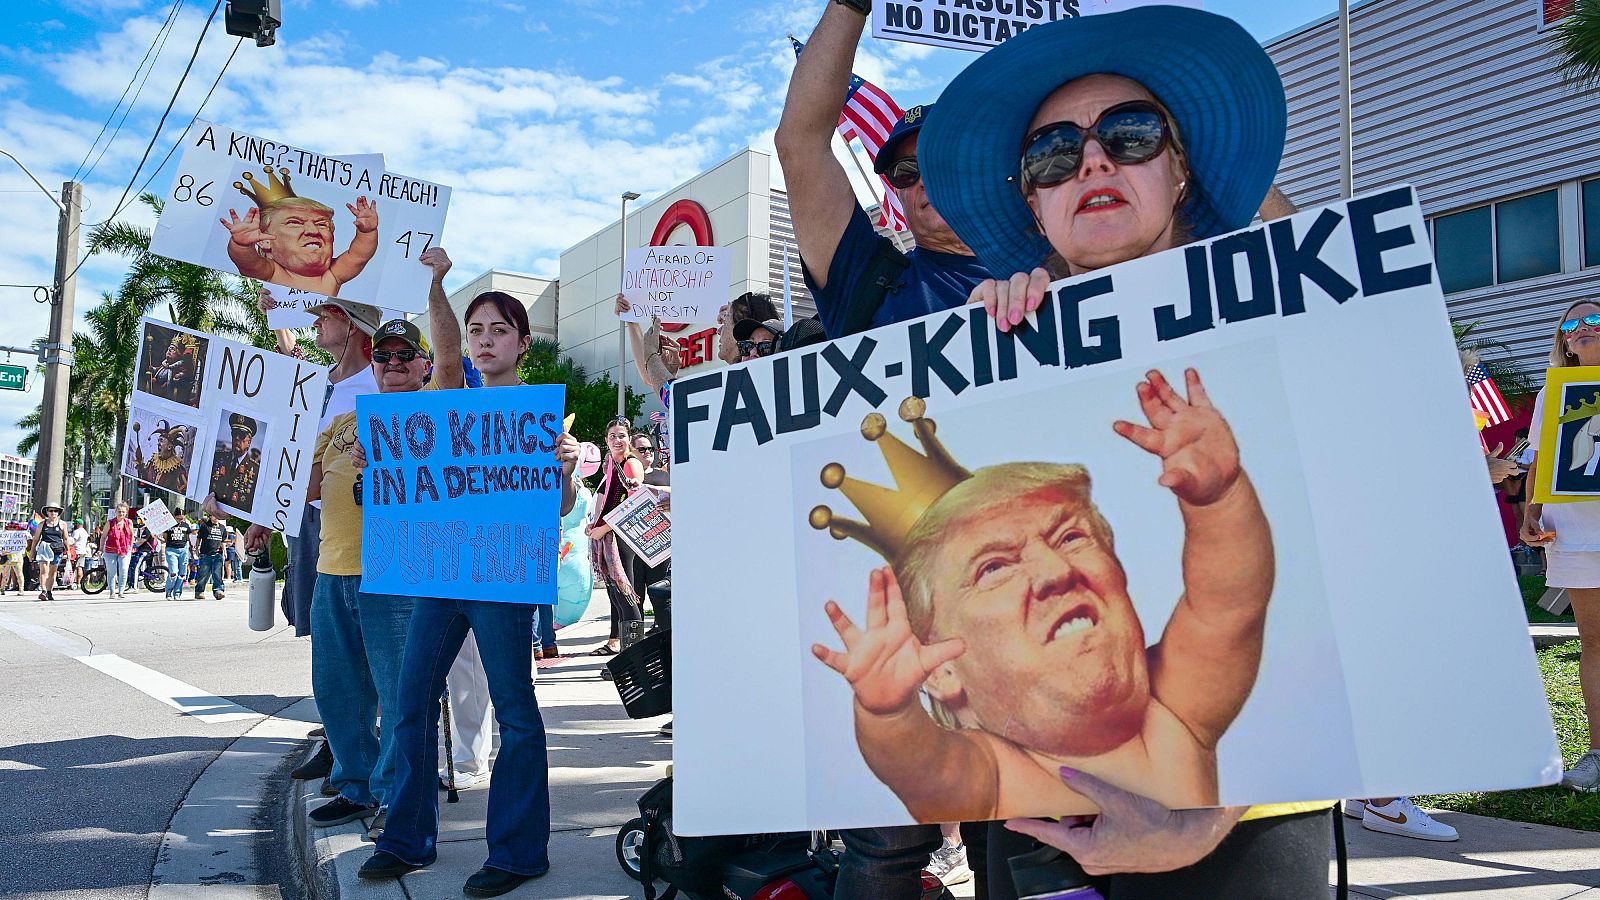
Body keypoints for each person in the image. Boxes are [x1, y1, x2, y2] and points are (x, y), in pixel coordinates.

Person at [911, 6, 1343, 895]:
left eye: (1131, 134)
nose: (1094, 161)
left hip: (1249, 820)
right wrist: (1003, 364)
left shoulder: (1289, 320)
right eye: (1054, 155)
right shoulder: (989, 348)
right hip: (1037, 823)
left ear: (1181, 171)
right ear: (1034, 202)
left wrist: (1200, 808)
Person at [777, 4, 997, 893]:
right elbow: (801, 141)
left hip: (1021, 605)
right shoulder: (872, 281)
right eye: (902, 173)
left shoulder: (1074, 267)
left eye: (942, 166)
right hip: (895, 600)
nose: (919, 185)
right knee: (887, 842)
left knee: (1033, 838)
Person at [359, 272, 582, 897]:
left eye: (499, 331)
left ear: (523, 342)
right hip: (439, 573)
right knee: (409, 702)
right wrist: (434, 285)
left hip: (503, 577)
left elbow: (560, 506)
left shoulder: (539, 415)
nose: (485, 341)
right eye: (477, 329)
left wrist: (564, 471)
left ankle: (517, 851)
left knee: (515, 708)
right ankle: (405, 839)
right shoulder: (446, 400)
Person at [245, 250, 463, 838]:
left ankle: (397, 794)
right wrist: (243, 498)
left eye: (403, 356)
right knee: (338, 687)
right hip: (335, 571)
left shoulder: (433, 413)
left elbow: (449, 359)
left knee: (398, 692)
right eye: (384, 355)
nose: (393, 363)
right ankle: (356, 783)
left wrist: (437, 286)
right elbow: (300, 482)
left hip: (396, 575)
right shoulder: (342, 423)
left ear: (420, 369)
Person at [1523, 300, 1600, 794]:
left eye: (1593, 319)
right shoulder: (1552, 396)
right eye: (1570, 325)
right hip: (1572, 530)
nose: (1581, 329)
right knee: (1593, 641)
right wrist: (1530, 513)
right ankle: (1597, 754)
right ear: (1564, 342)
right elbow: (1540, 459)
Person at [221, 168, 379, 296]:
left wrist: (367, 232)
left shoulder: (332, 274)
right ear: (265, 241)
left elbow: (358, 255)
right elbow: (248, 263)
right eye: (294, 223)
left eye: (322, 224)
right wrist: (241, 245)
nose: (313, 231)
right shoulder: (272, 272)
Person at [586, 417, 647, 657]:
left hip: (623, 537)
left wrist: (603, 528)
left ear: (629, 439)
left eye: (622, 436)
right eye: (612, 436)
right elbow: (606, 498)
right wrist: (594, 524)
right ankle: (628, 655)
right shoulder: (612, 462)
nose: (617, 440)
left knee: (626, 595)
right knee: (617, 596)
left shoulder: (631, 464)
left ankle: (637, 656)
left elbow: (633, 506)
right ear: (606, 441)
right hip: (610, 535)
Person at [210, 413, 262, 512]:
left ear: (249, 441)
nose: (237, 438)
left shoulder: (255, 470)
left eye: (242, 435)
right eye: (234, 433)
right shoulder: (217, 457)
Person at [131, 421, 192, 494]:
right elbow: (144, 479)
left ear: (169, 447)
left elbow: (184, 491)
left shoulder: (179, 470)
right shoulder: (152, 463)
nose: (158, 443)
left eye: (161, 441)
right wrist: (140, 465)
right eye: (158, 441)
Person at [27, 505, 67, 602]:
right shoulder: (42, 524)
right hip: (45, 547)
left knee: (53, 572)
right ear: (47, 512)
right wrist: (32, 551)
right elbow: (36, 538)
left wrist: (68, 551)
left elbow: (65, 539)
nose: (53, 513)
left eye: (55, 511)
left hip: (57, 549)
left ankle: (49, 591)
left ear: (58, 513)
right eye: (51, 511)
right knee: (43, 570)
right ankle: (43, 591)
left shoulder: (62, 524)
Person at [193, 510, 230, 601]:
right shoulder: (205, 526)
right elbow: (199, 538)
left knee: (217, 574)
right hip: (206, 554)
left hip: (218, 554)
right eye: (214, 516)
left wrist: (224, 551)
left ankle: (218, 591)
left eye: (218, 516)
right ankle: (199, 592)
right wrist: (196, 548)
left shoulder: (222, 527)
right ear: (210, 516)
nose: (216, 517)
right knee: (203, 574)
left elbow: (223, 541)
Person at [103, 504, 135, 600]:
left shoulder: (129, 522)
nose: (121, 513)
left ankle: (121, 591)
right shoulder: (110, 523)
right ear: (116, 512)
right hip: (110, 549)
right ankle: (112, 592)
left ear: (126, 513)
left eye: (123, 512)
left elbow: (132, 535)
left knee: (124, 570)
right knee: (111, 572)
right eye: (119, 511)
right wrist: (101, 547)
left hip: (125, 550)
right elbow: (104, 536)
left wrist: (131, 546)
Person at [163, 509, 193, 601]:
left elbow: (189, 539)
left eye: (182, 518)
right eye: (178, 518)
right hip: (171, 550)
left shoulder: (186, 526)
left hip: (183, 549)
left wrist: (192, 552)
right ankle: (169, 591)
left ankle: (177, 593)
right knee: (173, 572)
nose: (180, 520)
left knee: (182, 573)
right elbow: (165, 538)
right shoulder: (168, 525)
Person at [70, 519, 90, 588]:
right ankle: (79, 583)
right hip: (83, 551)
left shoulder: (76, 532)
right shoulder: (85, 532)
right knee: (80, 567)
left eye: (75, 524)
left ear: (78, 524)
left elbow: (73, 541)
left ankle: (77, 583)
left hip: (77, 551)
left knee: (77, 567)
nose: (74, 525)